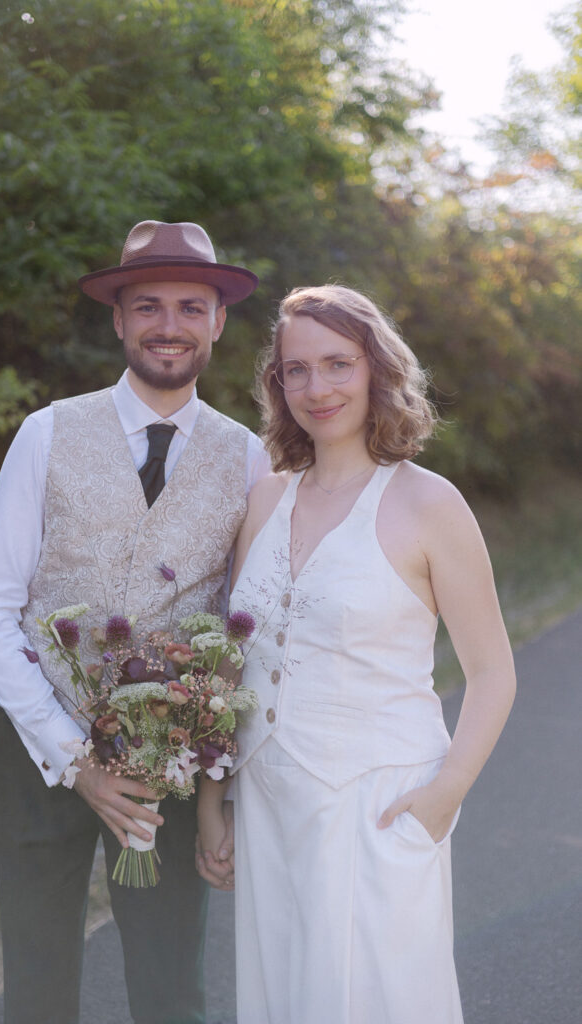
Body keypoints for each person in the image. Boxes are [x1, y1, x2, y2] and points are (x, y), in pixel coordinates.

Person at [0, 220, 269, 1024]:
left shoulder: (250, 458)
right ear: (118, 319)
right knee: (35, 985)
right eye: (148, 306)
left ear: (217, 322)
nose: (168, 325)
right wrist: (72, 758)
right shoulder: (46, 433)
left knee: (172, 986)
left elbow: (247, 626)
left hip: (167, 760)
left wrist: (217, 785)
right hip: (37, 747)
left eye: (188, 307)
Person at [197, 284, 516, 1023]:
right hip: (270, 807)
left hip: (377, 808)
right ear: (278, 385)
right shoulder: (265, 500)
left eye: (337, 363)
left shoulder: (429, 504)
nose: (317, 387)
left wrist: (443, 798)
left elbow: (493, 672)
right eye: (295, 370)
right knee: (284, 1001)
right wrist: (216, 803)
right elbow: (231, 663)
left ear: (375, 368)